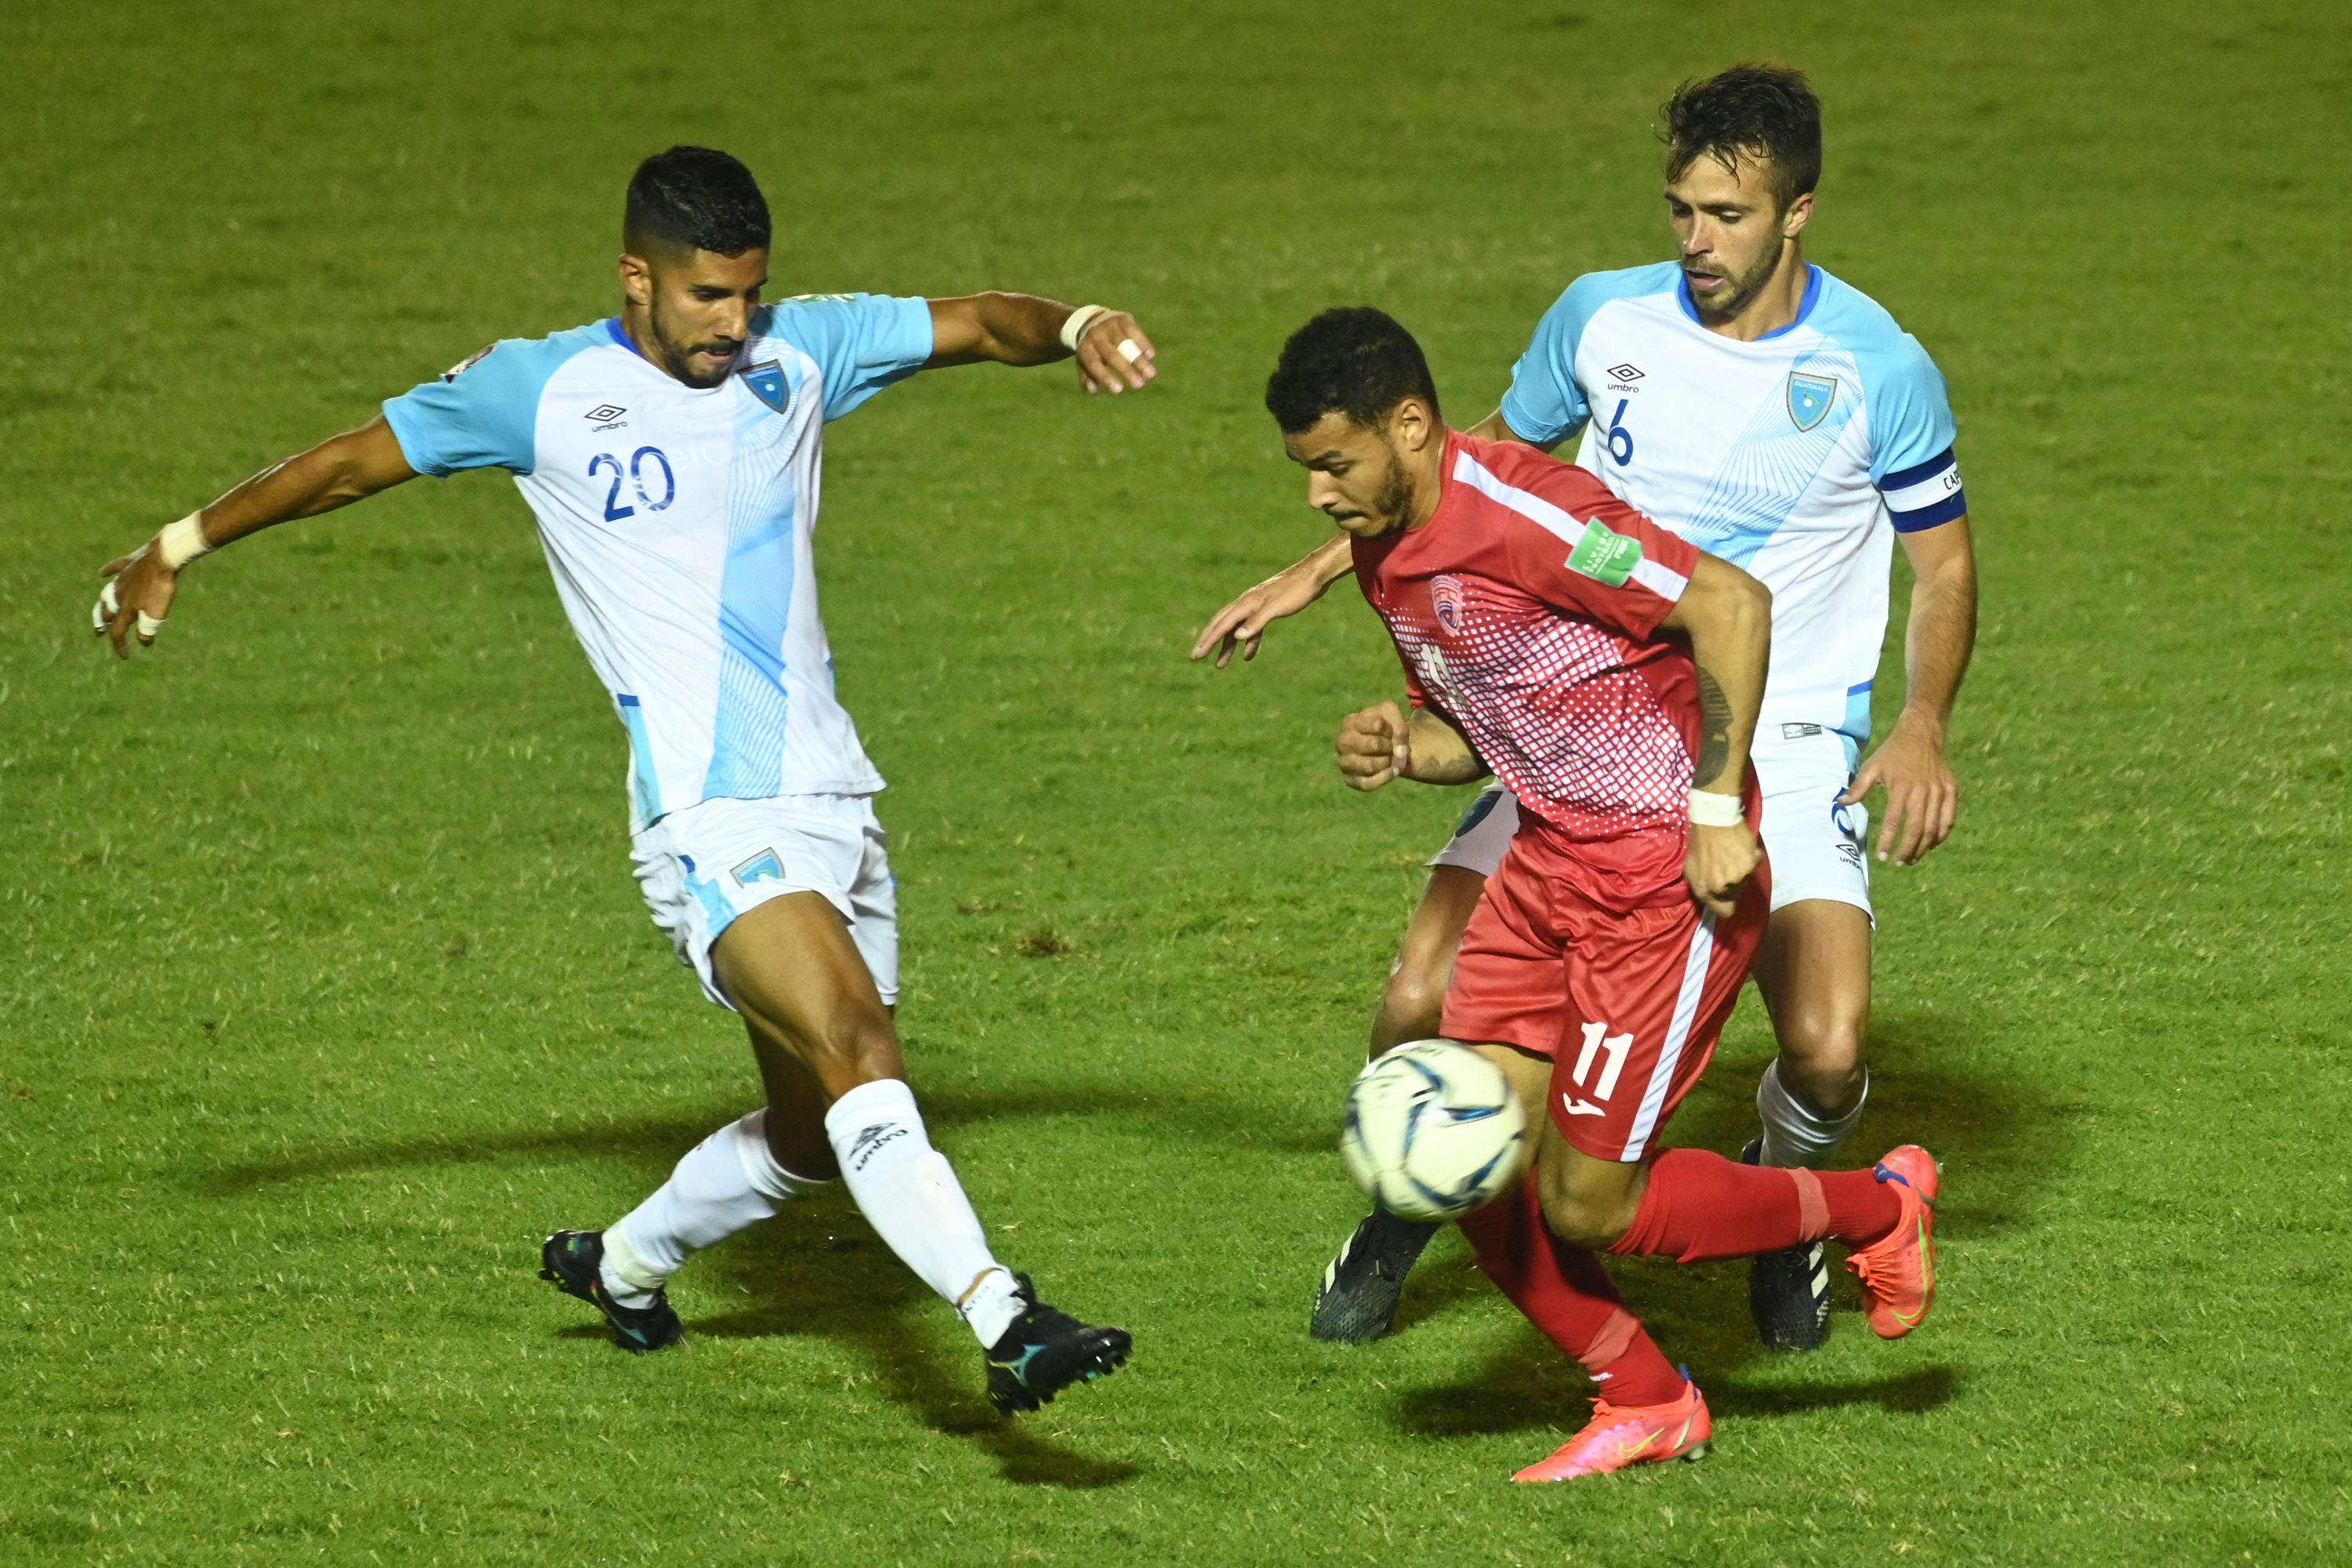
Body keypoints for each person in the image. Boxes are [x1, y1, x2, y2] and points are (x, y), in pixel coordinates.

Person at [91, 146, 1158, 1416]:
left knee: (821, 1131)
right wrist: (179, 543)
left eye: (749, 294)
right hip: (707, 819)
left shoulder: (799, 352)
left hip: (837, 800)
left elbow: (984, 324)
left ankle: (626, 1263)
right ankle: (1007, 1314)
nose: (733, 323)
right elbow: (348, 464)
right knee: (859, 1043)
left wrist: (1082, 322)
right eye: (708, 296)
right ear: (636, 277)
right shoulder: (539, 390)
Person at [1196, 64, 1976, 1352]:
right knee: (1414, 1001)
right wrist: (1320, 567)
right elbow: (1469, 472)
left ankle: (1799, 1220)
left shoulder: (1876, 367)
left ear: (1799, 213)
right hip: (1579, 715)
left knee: (1829, 1050)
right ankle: (1410, 1202)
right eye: (1680, 208)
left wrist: (1922, 722)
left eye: (1726, 214)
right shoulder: (1603, 321)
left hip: (1759, 730)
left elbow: (1942, 565)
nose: (1695, 240)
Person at [1263, 305, 1939, 1479]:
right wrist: (1405, 746)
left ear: (1410, 427)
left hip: (1660, 882)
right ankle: (1643, 1395)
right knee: (1459, 1148)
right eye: (1308, 471)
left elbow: (1726, 604)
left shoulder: (1541, 517)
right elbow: (1485, 727)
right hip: (1545, 870)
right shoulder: (1389, 555)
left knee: (1588, 1204)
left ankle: (1878, 1209)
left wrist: (1718, 808)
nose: (1319, 496)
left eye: (1334, 463)